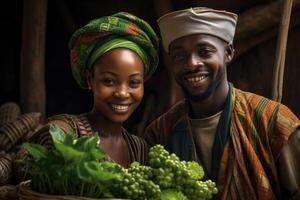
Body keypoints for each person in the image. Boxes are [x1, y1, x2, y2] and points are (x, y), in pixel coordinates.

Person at [144, 7, 300, 199]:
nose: (192, 63)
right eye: (179, 56)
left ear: (228, 53)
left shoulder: (273, 121)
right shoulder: (159, 133)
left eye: (204, 51)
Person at [26, 12, 159, 168]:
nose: (122, 93)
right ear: (90, 80)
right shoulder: (63, 134)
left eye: (134, 82)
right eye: (109, 81)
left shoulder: (140, 150)